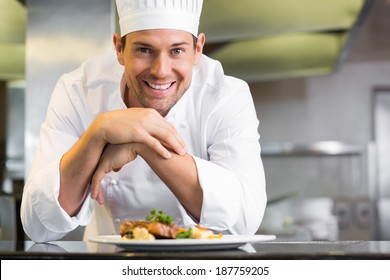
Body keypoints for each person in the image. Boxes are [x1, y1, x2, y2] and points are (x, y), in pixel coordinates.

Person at [20, 0, 267, 242]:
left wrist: (144, 143)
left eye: (177, 50)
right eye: (144, 50)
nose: (161, 70)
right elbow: (39, 226)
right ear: (119, 49)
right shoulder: (79, 90)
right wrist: (97, 133)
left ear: (198, 50)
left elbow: (244, 221)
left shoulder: (225, 95)